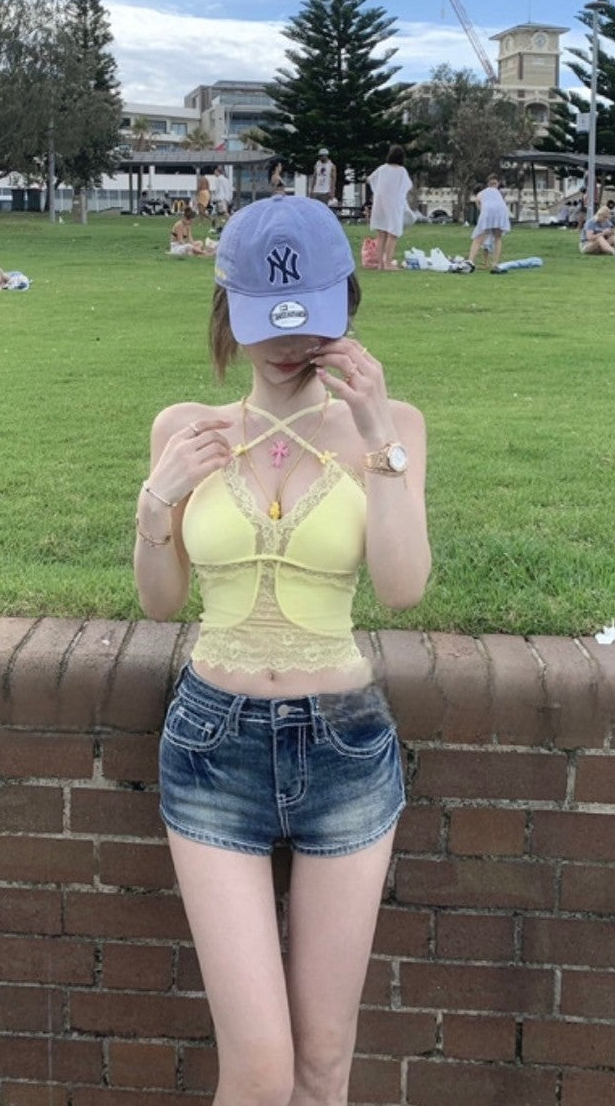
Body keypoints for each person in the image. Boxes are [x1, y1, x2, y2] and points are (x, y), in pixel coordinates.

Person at [135, 194, 430, 1106]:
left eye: (308, 321)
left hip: (344, 748)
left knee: (323, 1061)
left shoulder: (392, 426)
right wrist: (156, 501)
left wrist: (379, 442)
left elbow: (402, 585)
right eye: (267, 320)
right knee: (261, 1068)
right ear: (228, 309)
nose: (288, 344)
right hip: (212, 748)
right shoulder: (186, 428)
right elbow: (161, 602)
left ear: (345, 309)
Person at [366, 145, 413, 271]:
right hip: (393, 205)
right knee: (393, 234)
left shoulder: (382, 169)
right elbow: (408, 186)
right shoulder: (401, 171)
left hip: (380, 204)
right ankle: (388, 263)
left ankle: (380, 264)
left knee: (381, 234)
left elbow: (369, 179)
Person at [467, 174, 512, 269]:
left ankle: (470, 261)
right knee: (497, 238)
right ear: (497, 183)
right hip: (501, 212)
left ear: (488, 183)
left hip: (487, 211)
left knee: (478, 238)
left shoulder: (482, 193)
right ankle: (495, 263)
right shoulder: (499, 194)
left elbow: (479, 204)